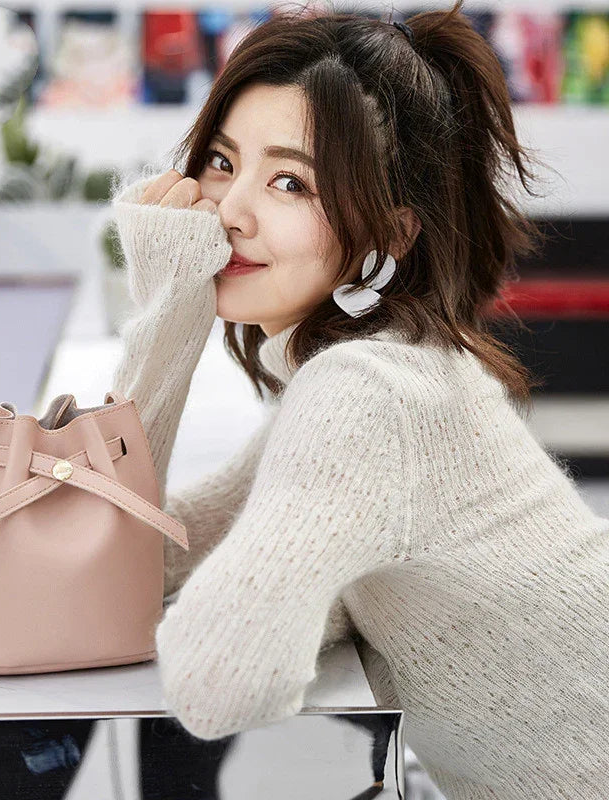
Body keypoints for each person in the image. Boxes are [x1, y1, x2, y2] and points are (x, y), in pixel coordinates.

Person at [105, 1, 609, 798]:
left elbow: (217, 681)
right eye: (224, 162)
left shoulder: (365, 394)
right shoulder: (371, 372)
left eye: (289, 181)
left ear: (390, 237)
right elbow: (135, 563)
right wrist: (169, 311)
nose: (231, 211)